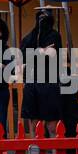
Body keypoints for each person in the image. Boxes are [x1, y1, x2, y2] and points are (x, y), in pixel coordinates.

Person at [19, 8, 63, 137]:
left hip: (49, 82)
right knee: (34, 124)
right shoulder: (30, 36)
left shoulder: (54, 35)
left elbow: (52, 54)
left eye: (45, 18)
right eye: (40, 18)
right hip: (32, 82)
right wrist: (40, 51)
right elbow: (22, 55)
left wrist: (37, 52)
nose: (42, 21)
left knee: (52, 125)